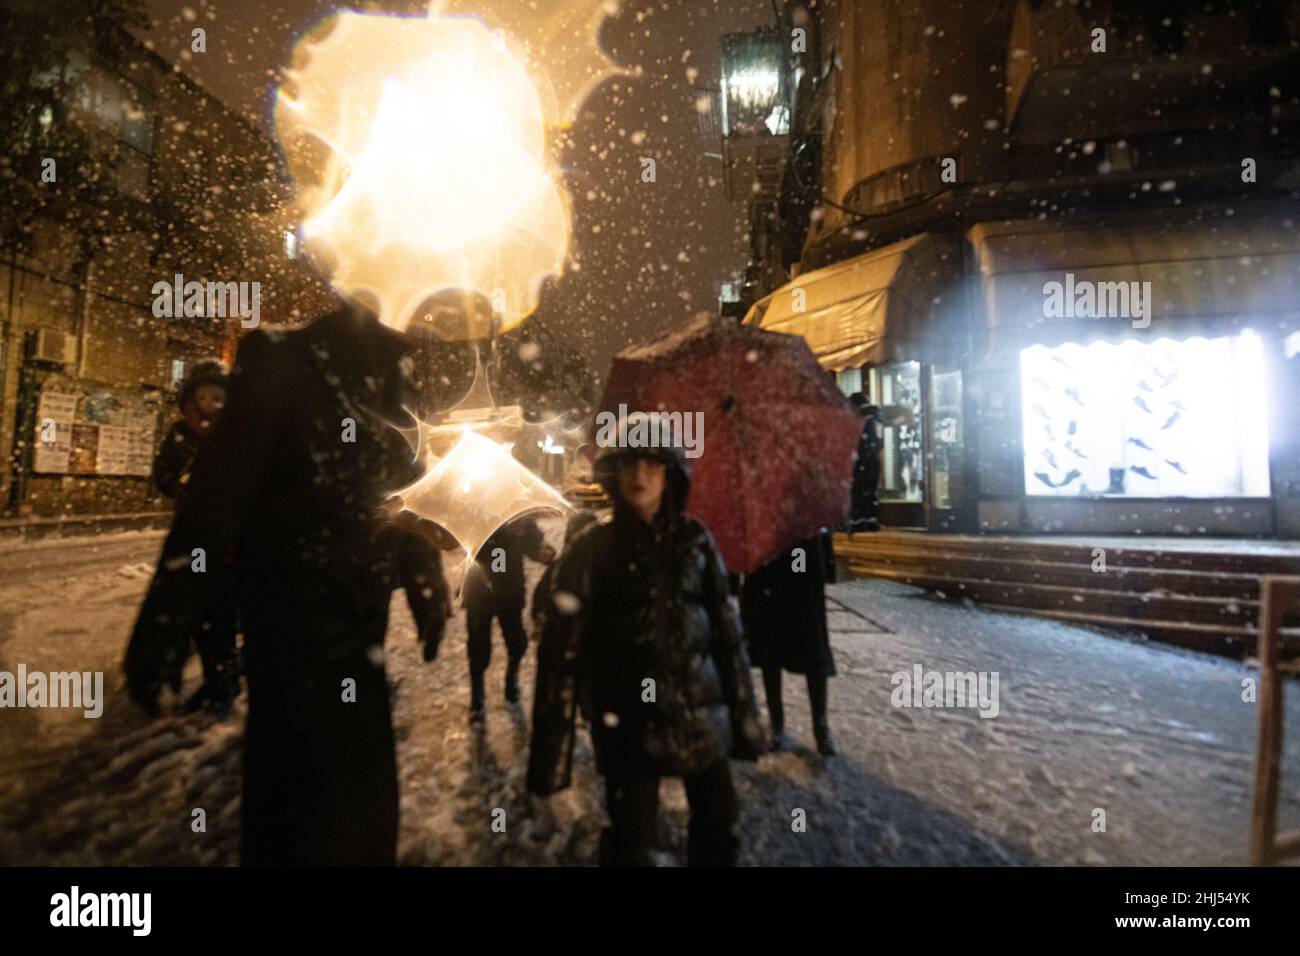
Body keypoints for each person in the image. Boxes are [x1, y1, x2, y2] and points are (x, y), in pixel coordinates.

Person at [124, 300, 456, 866]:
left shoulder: (393, 387)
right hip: (289, 629)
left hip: (360, 634)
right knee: (298, 810)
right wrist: (165, 623)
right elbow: (214, 498)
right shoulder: (282, 360)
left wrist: (426, 583)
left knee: (359, 807)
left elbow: (406, 497)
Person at [527, 425, 766, 866]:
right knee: (630, 841)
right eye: (630, 463)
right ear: (614, 472)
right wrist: (548, 756)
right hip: (628, 725)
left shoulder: (696, 541)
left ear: (669, 473)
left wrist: (744, 716)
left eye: (652, 463)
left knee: (718, 826)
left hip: (699, 715)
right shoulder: (592, 550)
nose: (640, 473)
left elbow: (727, 638)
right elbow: (561, 660)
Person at [151, 360, 240, 715]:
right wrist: (184, 480)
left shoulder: (236, 439)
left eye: (216, 398)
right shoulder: (179, 435)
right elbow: (164, 477)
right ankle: (165, 680)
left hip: (225, 544)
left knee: (215, 615)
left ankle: (222, 682)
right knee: (178, 610)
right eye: (200, 398)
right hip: (188, 540)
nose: (207, 407)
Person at [740, 533, 838, 756]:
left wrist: (800, 568)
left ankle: (819, 726)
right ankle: (777, 723)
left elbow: (809, 553)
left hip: (799, 576)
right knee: (770, 653)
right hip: (768, 572)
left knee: (812, 653)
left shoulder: (807, 514)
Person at [462, 515, 556, 720]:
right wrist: (502, 537)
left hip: (510, 593)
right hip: (479, 593)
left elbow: (533, 544)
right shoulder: (477, 512)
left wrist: (542, 551)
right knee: (478, 648)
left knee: (517, 643)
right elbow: (478, 552)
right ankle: (477, 698)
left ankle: (511, 679)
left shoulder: (520, 515)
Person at [849, 392, 883, 532]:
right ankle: (871, 520)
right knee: (871, 489)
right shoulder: (876, 416)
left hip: (861, 458)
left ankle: (859, 521)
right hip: (873, 458)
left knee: (858, 489)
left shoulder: (858, 416)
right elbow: (879, 440)